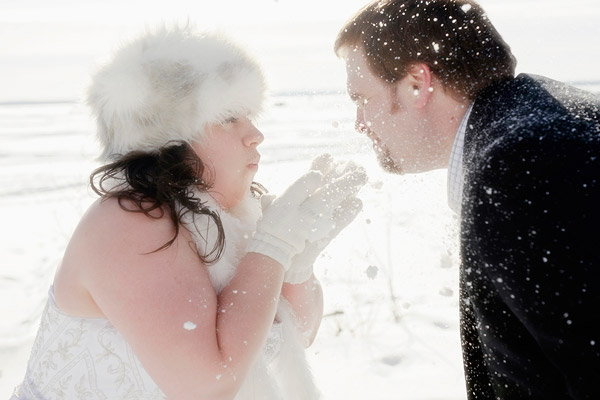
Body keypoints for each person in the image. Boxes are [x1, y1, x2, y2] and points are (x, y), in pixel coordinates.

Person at [12, 26, 367, 400]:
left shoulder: (232, 219)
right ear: (169, 136)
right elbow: (209, 383)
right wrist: (273, 248)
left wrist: (295, 265)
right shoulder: (129, 221)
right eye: (231, 117)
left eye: (251, 115)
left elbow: (297, 335)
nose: (255, 134)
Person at [334, 0, 600, 399]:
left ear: (417, 84)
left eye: (361, 99)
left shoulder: (523, 167)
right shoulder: (543, 121)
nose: (359, 123)